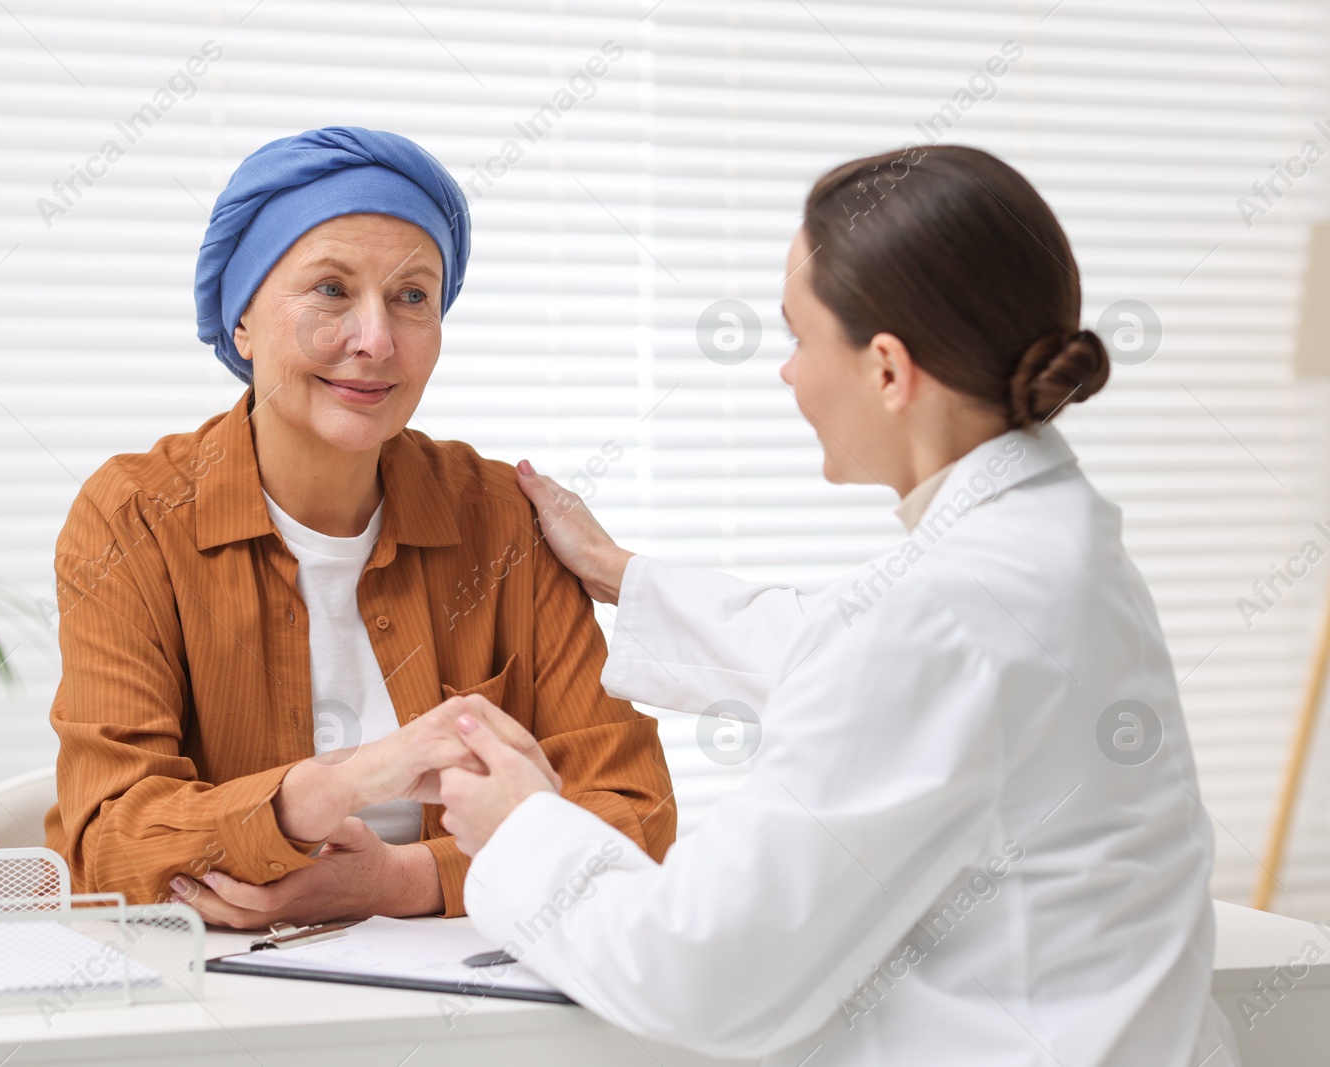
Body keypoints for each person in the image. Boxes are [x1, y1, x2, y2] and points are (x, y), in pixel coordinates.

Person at [437, 145, 1240, 1065]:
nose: (786, 375)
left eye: (797, 337)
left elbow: (702, 971)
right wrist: (620, 572)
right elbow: (851, 651)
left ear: (888, 370)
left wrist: (523, 829)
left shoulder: (946, 611)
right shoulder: (1056, 542)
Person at [42, 126, 675, 926]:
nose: (375, 340)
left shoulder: (501, 520)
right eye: (331, 290)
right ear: (241, 321)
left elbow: (636, 814)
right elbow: (111, 846)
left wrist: (404, 879)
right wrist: (337, 785)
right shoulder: (133, 517)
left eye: (412, 297)